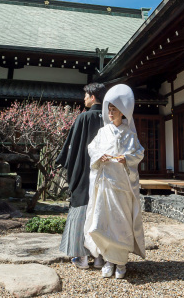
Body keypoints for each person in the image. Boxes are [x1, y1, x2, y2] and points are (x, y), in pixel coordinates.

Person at [84, 84, 146, 279]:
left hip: (122, 185)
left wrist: (126, 159)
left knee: (121, 223)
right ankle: (109, 260)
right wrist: (99, 156)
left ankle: (121, 262)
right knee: (103, 221)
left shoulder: (130, 134)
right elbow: (91, 148)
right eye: (109, 109)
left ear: (122, 112)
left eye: (114, 110)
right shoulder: (103, 132)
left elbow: (139, 153)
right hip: (105, 184)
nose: (110, 113)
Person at [55, 82, 106, 269]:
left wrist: (66, 163)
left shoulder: (83, 118)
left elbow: (73, 146)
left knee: (81, 210)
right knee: (102, 213)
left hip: (85, 172)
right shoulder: (110, 117)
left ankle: (81, 257)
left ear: (93, 97)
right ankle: (101, 258)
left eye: (85, 95)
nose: (83, 98)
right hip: (105, 173)